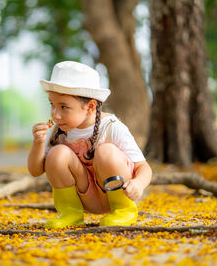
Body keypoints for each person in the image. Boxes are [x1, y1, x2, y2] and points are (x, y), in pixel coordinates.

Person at [27, 61, 152, 229]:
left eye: (64, 107)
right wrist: (38, 143)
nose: (56, 115)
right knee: (57, 154)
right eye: (52, 105)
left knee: (106, 152)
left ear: (90, 106)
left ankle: (123, 210)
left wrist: (138, 184)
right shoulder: (60, 131)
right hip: (84, 196)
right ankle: (70, 213)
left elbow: (144, 167)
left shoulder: (112, 127)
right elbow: (35, 171)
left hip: (114, 193)